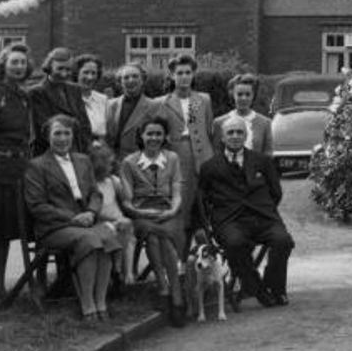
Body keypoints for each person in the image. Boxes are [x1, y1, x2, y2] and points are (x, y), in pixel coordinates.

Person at [23, 115, 120, 321]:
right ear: (48, 137)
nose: (62, 138)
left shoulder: (83, 160)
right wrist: (74, 218)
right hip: (55, 227)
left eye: (67, 133)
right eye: (57, 133)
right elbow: (38, 206)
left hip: (86, 220)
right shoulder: (37, 166)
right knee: (90, 240)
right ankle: (87, 304)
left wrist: (92, 213)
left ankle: (101, 301)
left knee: (109, 236)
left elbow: (96, 194)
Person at [199, 114, 295, 307]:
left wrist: (264, 209)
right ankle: (257, 289)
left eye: (239, 132)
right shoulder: (209, 167)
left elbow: (275, 192)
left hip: (263, 218)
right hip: (229, 221)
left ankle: (275, 288)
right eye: (230, 132)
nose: (235, 136)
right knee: (235, 243)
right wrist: (209, 225)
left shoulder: (262, 161)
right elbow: (202, 199)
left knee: (283, 241)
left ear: (246, 136)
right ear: (222, 138)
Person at [120, 115, 188, 327]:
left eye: (158, 133)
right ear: (141, 136)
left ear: (165, 136)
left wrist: (172, 210)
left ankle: (166, 290)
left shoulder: (173, 158)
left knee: (159, 238)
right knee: (154, 235)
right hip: (141, 214)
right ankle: (175, 296)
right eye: (150, 133)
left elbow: (177, 190)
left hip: (168, 212)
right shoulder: (129, 163)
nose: (154, 138)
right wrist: (145, 213)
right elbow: (127, 201)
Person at [0, 42, 34, 300]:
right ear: (3, 65)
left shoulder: (24, 96)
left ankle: (0, 285)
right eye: (14, 62)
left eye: (22, 63)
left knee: (6, 230)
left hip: (18, 170)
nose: (19, 67)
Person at [157, 54, 214, 232]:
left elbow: (208, 129)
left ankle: (204, 252)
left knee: (205, 210)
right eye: (179, 73)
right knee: (180, 207)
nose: (184, 77)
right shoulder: (162, 102)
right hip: (178, 157)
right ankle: (177, 253)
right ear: (172, 76)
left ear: (193, 74)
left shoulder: (202, 99)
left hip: (203, 158)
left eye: (188, 72)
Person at [29, 47, 93, 155]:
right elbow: (43, 127)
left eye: (68, 70)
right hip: (49, 152)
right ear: (49, 67)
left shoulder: (75, 90)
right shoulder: (37, 92)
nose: (64, 73)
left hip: (76, 151)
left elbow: (84, 123)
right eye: (60, 69)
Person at [89, 141, 136, 286]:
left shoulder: (112, 181)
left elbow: (127, 198)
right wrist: (114, 220)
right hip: (101, 222)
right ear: (99, 167)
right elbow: (94, 212)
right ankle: (115, 271)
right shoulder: (91, 185)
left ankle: (127, 273)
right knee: (114, 233)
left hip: (120, 221)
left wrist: (122, 178)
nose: (112, 167)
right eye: (109, 164)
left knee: (128, 234)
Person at [105, 63, 158, 159]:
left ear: (142, 80)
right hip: (113, 163)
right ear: (120, 82)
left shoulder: (153, 106)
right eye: (126, 77)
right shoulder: (110, 105)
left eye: (135, 76)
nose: (131, 80)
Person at [212, 73, 272, 155]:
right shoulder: (219, 123)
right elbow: (216, 153)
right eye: (239, 94)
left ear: (253, 96)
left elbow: (268, 154)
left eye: (248, 95)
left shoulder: (265, 123)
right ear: (233, 95)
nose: (244, 98)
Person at [74, 53, 109, 142]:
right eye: (85, 72)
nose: (90, 77)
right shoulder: (68, 98)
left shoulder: (103, 100)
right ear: (77, 73)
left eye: (94, 73)